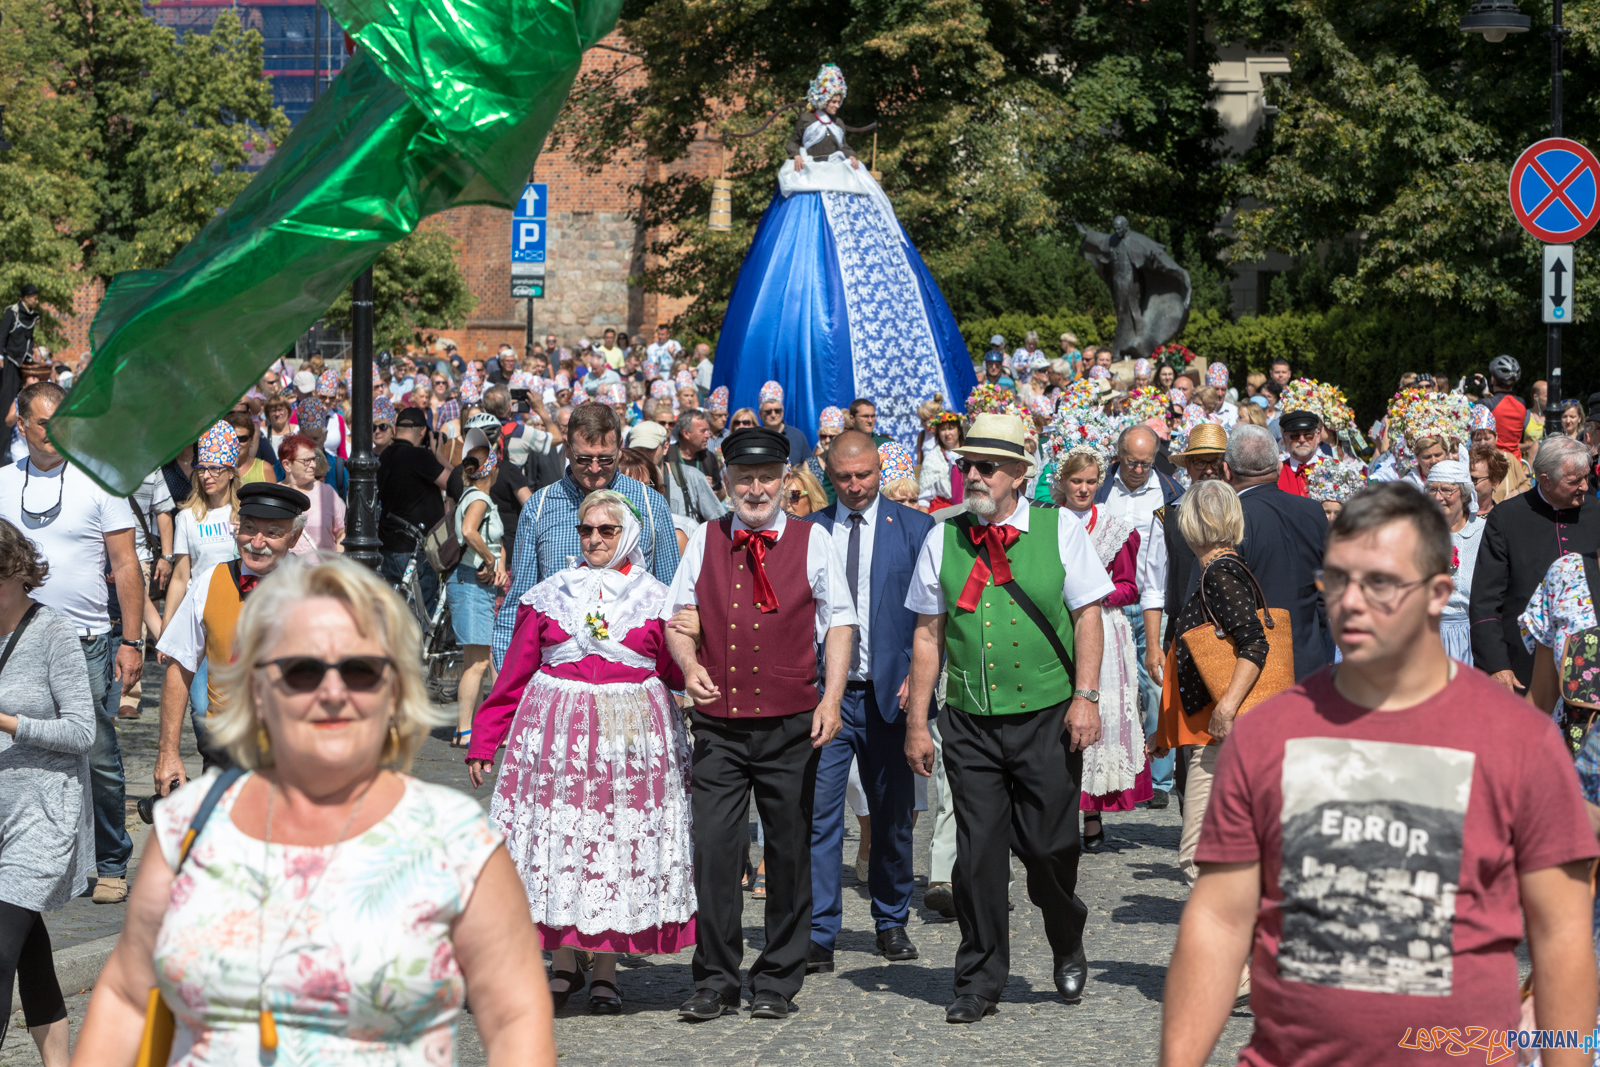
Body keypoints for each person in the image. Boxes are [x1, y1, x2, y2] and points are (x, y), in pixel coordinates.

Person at [1160, 482, 1600, 1067]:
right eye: (1336, 580)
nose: (1352, 602)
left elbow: (1562, 935)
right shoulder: (1269, 734)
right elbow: (1217, 919)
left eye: (1382, 583)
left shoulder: (1519, 740)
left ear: (1440, 592)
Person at [77, 559, 556, 1065]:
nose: (332, 692)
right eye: (302, 670)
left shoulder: (454, 840)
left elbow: (514, 1017)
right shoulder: (191, 825)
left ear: (394, 691)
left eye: (360, 670)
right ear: (259, 688)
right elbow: (127, 997)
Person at [901, 412, 1111, 1022]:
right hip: (969, 722)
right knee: (978, 857)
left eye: (987, 466)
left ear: (1020, 474)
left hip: (1048, 717)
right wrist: (920, 721)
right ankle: (980, 977)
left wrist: (1086, 696)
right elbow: (927, 634)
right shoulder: (942, 537)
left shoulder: (1060, 530)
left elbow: (1088, 617)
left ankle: (1066, 934)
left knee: (1050, 851)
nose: (974, 476)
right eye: (968, 465)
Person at [467, 489, 694, 1014]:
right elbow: (515, 674)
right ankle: (564, 963)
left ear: (628, 535)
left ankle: (606, 971)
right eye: (586, 530)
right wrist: (485, 739)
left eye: (606, 531)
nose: (594, 540)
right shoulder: (550, 593)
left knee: (611, 848)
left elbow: (678, 672)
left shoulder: (658, 598)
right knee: (562, 842)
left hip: (630, 745)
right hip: (555, 742)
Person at [662, 426, 853, 1021]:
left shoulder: (812, 540)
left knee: (789, 849)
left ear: (786, 479)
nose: (755, 487)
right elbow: (677, 617)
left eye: (766, 476)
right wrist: (689, 663)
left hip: (791, 722)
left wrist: (831, 699)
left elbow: (841, 623)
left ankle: (776, 977)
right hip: (718, 725)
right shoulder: (703, 539)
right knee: (716, 848)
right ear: (726, 481)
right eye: (744, 477)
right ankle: (716, 978)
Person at [0, 381, 142, 905]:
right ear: (22, 424)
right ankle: (27, 853)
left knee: (97, 752)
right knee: (17, 749)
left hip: (85, 641)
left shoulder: (100, 483)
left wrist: (132, 640)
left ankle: (109, 861)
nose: (55, 435)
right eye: (43, 424)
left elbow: (126, 565)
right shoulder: (2, 481)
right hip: (14, 642)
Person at [801, 431, 936, 974]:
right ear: (827, 476)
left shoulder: (916, 528)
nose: (855, 487)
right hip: (826, 698)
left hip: (891, 695)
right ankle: (819, 931)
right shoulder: (808, 531)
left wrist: (919, 679)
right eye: (843, 478)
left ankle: (891, 920)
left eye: (865, 475)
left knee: (893, 815)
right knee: (819, 817)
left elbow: (933, 618)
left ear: (881, 469)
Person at [0, 517, 93, 1065]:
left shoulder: (51, 631)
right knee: (28, 955)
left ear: (14, 572)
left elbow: (83, 731)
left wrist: (11, 723)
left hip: (42, 817)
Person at [494, 403, 680, 669]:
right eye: (583, 459)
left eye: (606, 459)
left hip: (631, 678)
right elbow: (519, 603)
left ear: (620, 448)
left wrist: (676, 688)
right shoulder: (540, 506)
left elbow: (670, 603)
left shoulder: (650, 504)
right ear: (567, 448)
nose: (594, 469)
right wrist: (509, 679)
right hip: (558, 678)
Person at [154, 483, 310, 788]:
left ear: (294, 537)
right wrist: (168, 752)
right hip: (224, 744)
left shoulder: (314, 589)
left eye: (273, 532)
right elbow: (180, 666)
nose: (257, 541)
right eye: (249, 528)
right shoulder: (211, 580)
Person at [1153, 478, 1267, 887]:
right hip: (1205, 730)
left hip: (1217, 732)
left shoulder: (1219, 573)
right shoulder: (1220, 569)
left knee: (1198, 858)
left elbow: (1255, 644)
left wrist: (1226, 708)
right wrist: (1165, 731)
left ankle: (1235, 947)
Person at [1053, 446, 1151, 850]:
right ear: (1061, 482)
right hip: (1055, 624)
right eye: (1076, 481)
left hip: (1103, 630)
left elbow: (1131, 587)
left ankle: (1092, 813)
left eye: (1091, 482)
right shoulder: (1046, 522)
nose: (1084, 489)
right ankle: (1056, 809)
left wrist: (1094, 594)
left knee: (1096, 714)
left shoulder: (1115, 528)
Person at [1470, 435, 1600, 694]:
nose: (1585, 487)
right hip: (1523, 667)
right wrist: (1496, 664)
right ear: (1545, 481)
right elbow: (1485, 600)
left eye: (1586, 477)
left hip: (1591, 664)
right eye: (1574, 481)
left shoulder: (1597, 513)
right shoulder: (1506, 518)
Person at [1096, 423, 1181, 807]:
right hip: (1107, 600)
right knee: (1110, 687)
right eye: (1132, 462)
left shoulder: (1169, 492)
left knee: (1155, 683)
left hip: (1153, 600)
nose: (1138, 470)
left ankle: (1161, 779)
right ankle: (1116, 774)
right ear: (1118, 456)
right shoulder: (1099, 489)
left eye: (1146, 463)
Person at [1220, 425, 1333, 679]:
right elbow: (1328, 592)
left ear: (1226, 471)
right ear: (1280, 467)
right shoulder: (1313, 510)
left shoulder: (1229, 518)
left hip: (1250, 669)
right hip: (1309, 660)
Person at [448, 428, 507, 750]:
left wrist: (497, 561)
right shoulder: (479, 498)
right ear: (492, 469)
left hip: (475, 582)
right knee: (478, 662)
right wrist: (488, 559)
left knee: (482, 660)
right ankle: (466, 730)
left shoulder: (475, 496)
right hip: (471, 581)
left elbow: (494, 539)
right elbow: (470, 532)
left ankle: (470, 728)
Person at [375, 404, 449, 611]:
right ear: (423, 431)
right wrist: (439, 456)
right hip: (415, 549)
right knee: (420, 610)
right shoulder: (419, 457)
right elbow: (454, 484)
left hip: (390, 544)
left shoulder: (386, 455)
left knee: (394, 609)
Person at [1424, 459, 1484, 666]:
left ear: (1465, 494)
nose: (1438, 497)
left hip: (1474, 636)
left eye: (1447, 490)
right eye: (1432, 490)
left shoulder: (1484, 532)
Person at [279, 433, 344, 562]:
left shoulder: (327, 493)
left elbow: (341, 533)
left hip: (322, 575)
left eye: (313, 459)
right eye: (306, 461)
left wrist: (338, 559)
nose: (313, 465)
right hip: (288, 575)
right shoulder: (276, 495)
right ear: (287, 465)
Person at [0, 284, 40, 436]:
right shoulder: (12, 312)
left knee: (25, 399)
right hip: (11, 361)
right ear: (26, 298)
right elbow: (2, 334)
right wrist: (0, 356)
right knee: (6, 401)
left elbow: (29, 339)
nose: (37, 301)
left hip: (24, 363)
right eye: (35, 298)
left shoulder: (32, 315)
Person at [917, 408, 964, 511]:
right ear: (938, 433)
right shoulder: (932, 459)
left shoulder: (971, 454)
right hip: (943, 511)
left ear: (959, 430)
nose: (947, 433)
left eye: (951, 428)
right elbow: (924, 499)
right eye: (943, 429)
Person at [1483, 354, 1528, 457]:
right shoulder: (1521, 403)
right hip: (1515, 463)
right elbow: (1502, 402)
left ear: (1493, 379)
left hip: (1494, 462)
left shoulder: (1486, 404)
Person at [758, 381, 813, 464]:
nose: (773, 415)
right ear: (760, 414)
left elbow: (810, 467)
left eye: (777, 411)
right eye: (768, 411)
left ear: (782, 411)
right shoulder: (756, 437)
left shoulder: (798, 437)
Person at [1276, 407, 1323, 496]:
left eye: (1308, 435)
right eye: (1295, 436)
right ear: (1285, 439)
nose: (1302, 440)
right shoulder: (1277, 473)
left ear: (1317, 436)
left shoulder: (1334, 467)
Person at [1470, 442, 1511, 517]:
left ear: (1495, 482)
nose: (1468, 483)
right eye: (1466, 477)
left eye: (1474, 479)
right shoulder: (1455, 516)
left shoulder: (1502, 519)